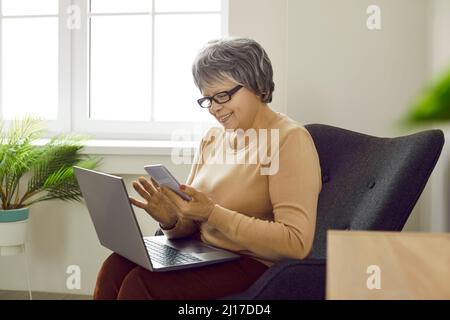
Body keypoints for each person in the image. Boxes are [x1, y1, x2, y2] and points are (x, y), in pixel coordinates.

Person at [93, 37, 322, 300]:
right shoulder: (213, 138)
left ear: (257, 85)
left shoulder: (289, 139)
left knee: (142, 284)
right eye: (207, 99)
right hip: (205, 253)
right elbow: (191, 222)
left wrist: (213, 214)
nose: (214, 108)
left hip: (254, 264)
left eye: (222, 96)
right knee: (114, 267)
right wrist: (170, 220)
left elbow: (295, 243)